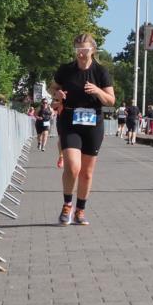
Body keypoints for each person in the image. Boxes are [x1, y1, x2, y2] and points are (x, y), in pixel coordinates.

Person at [51, 33, 115, 226]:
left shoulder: (101, 72)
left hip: (93, 123)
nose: (81, 53)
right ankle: (67, 205)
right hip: (70, 121)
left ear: (92, 50)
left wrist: (98, 91)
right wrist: (57, 94)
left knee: (86, 173)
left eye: (84, 49)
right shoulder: (66, 70)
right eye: (78, 49)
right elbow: (53, 88)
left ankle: (80, 210)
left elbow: (111, 100)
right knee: (72, 167)